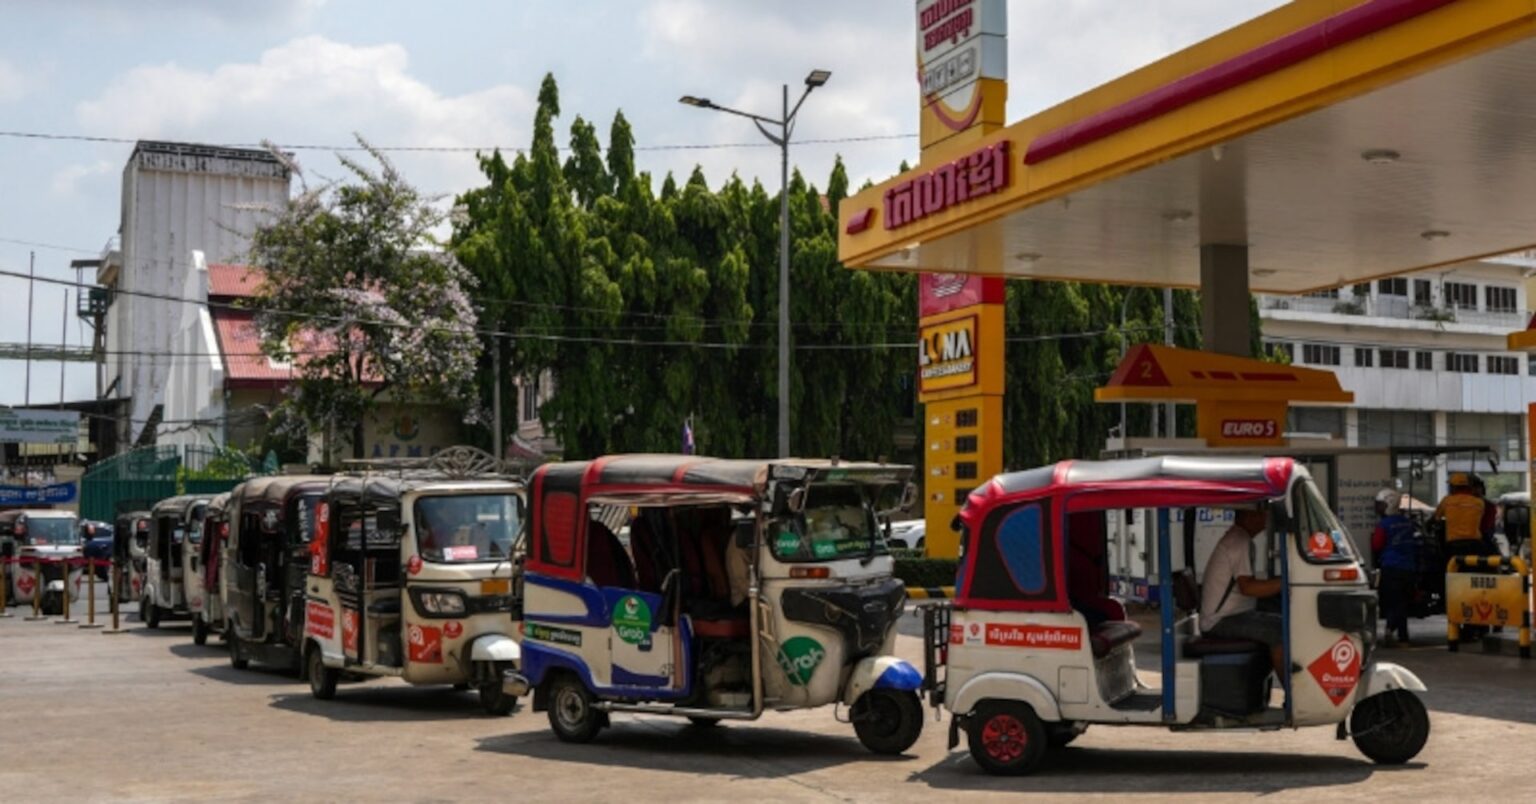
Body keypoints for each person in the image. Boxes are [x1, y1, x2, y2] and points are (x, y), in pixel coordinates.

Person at [1201, 508, 1285, 679]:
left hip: (1234, 612)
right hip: (1220, 621)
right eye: (1261, 513)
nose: (1265, 517)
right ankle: (1291, 695)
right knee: (1280, 630)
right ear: (1249, 516)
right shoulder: (1239, 542)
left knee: (1277, 610)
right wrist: (1283, 583)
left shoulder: (1240, 538)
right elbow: (1248, 588)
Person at [1371, 488, 1418, 646]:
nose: (1378, 508)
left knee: (1393, 602)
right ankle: (1400, 634)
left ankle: (1393, 631)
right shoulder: (1408, 523)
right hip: (1409, 568)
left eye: (1381, 505)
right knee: (1402, 602)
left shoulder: (1383, 525)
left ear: (1389, 505)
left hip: (1391, 567)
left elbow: (1376, 545)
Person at [1434, 473, 1492, 558]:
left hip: (1454, 544)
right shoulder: (1479, 502)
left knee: (1449, 566)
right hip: (1475, 544)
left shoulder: (1447, 501)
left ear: (1453, 487)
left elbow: (1436, 518)